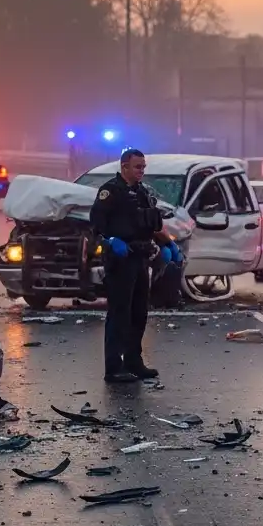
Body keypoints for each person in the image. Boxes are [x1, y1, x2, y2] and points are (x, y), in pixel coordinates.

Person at [90, 148, 181, 383]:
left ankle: (133, 361)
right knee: (119, 313)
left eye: (143, 167)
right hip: (121, 258)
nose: (141, 171)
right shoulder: (110, 192)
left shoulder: (143, 193)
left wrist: (170, 244)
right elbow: (96, 226)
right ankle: (113, 367)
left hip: (141, 257)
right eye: (137, 167)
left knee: (139, 312)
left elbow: (155, 223)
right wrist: (110, 241)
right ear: (124, 167)